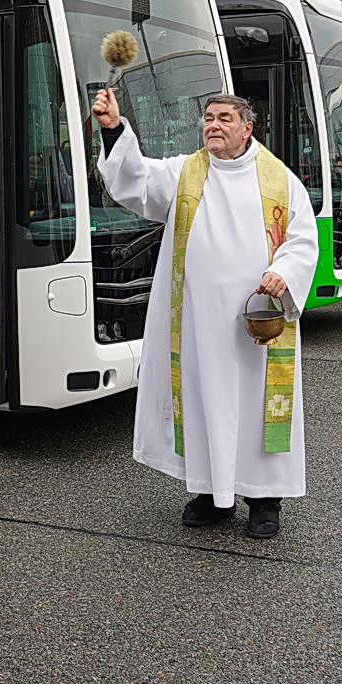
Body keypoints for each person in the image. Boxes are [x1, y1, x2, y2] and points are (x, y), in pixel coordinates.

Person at [94, 88, 319, 540]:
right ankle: (209, 494)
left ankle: (263, 499)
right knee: (200, 399)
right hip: (195, 321)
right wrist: (115, 128)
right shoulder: (186, 171)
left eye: (223, 118)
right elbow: (136, 179)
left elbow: (303, 239)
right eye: (208, 118)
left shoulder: (278, 178)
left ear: (246, 127)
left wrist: (283, 272)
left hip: (255, 325)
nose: (213, 125)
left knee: (256, 406)